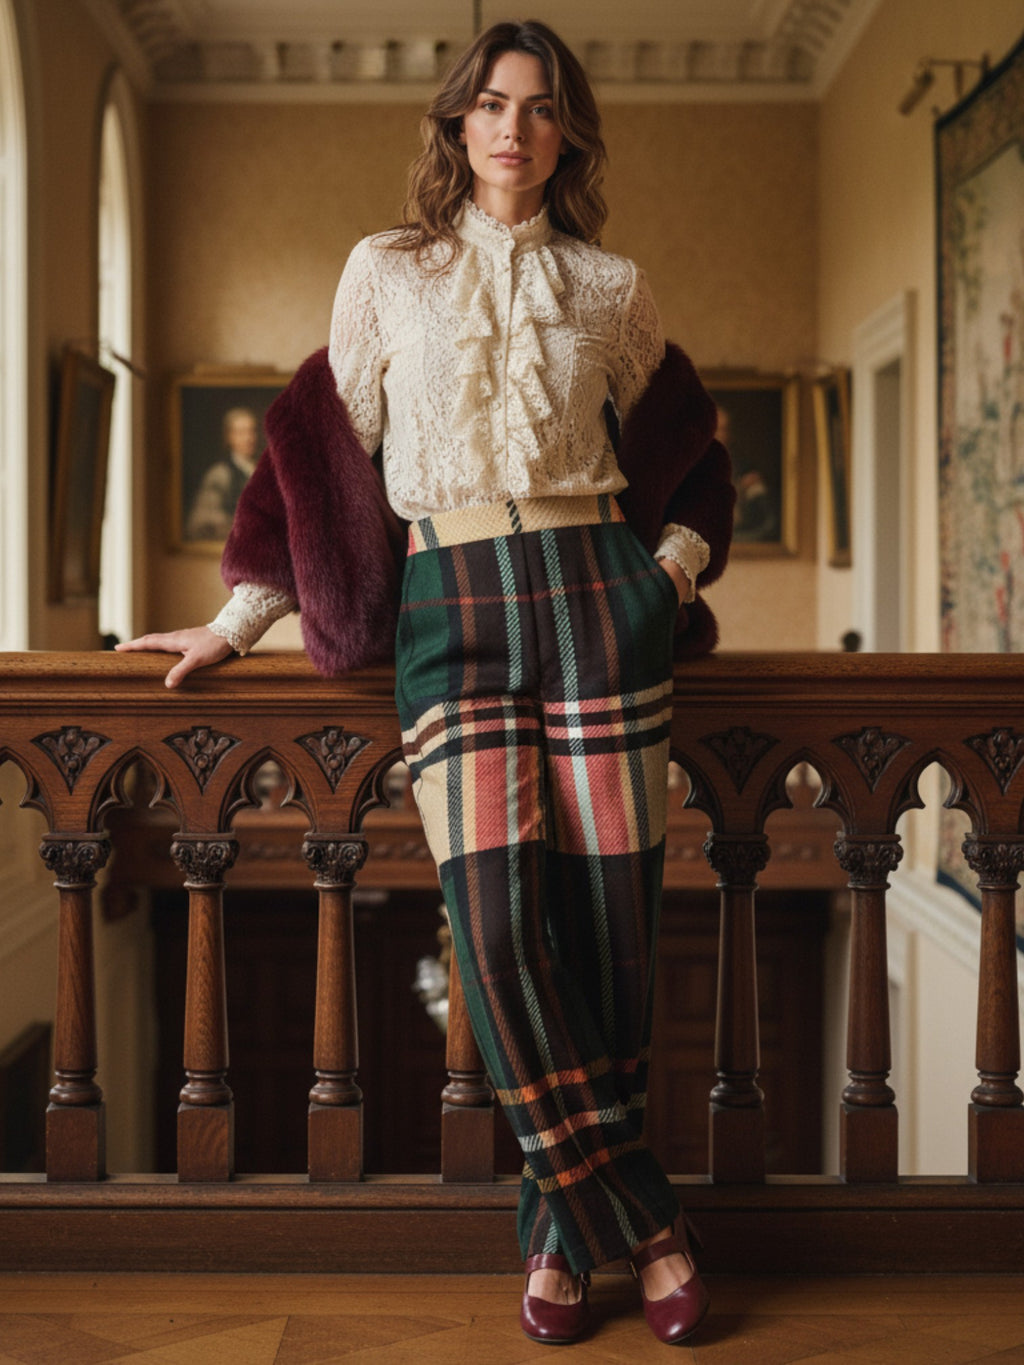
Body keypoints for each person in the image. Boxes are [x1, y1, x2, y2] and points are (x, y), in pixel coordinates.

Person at [119, 20, 733, 1347]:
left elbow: (695, 469)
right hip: (450, 609)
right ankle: (651, 1219)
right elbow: (322, 475)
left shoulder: (612, 286)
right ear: (457, 125)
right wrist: (236, 622)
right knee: (501, 933)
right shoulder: (383, 273)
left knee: (612, 938)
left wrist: (664, 582)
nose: (514, 126)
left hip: (595, 602)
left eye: (541, 107)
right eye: (492, 104)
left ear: (568, 134)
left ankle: (559, 1242)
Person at [185, 406, 261, 540]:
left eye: (251, 432)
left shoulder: (262, 470)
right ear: (229, 437)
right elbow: (200, 522)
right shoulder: (220, 474)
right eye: (241, 433)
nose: (249, 438)